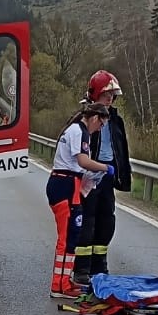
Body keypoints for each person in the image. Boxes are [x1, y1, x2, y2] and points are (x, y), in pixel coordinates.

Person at [48, 102, 115, 299]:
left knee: (73, 234)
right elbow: (82, 161)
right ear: (95, 118)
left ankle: (65, 280)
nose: (100, 129)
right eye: (101, 125)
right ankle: (58, 285)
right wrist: (104, 167)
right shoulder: (80, 131)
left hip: (71, 185)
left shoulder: (78, 130)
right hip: (64, 186)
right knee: (67, 237)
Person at [80, 70, 133, 280]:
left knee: (106, 220)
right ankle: (82, 267)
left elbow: (122, 149)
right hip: (89, 174)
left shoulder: (115, 120)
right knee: (87, 220)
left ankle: (99, 265)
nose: (109, 99)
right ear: (95, 95)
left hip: (108, 175)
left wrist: (121, 174)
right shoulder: (84, 119)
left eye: (112, 95)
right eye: (105, 94)